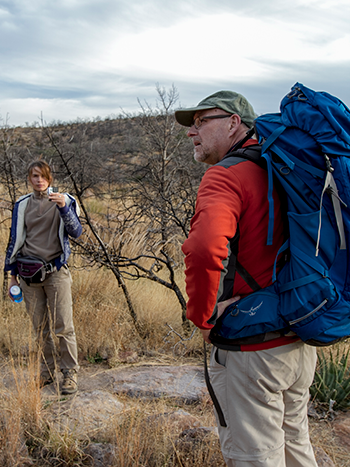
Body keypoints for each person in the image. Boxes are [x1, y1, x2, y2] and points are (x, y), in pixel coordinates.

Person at [175, 91, 318, 467]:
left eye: (202, 121)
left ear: (234, 123)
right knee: (295, 447)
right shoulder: (286, 169)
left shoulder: (224, 177)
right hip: (301, 336)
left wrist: (203, 318)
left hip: (254, 350)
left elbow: (205, 250)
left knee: (256, 458)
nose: (193, 132)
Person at [4, 160, 82, 395]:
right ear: (29, 178)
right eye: (34, 176)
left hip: (55, 272)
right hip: (28, 273)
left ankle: (70, 374)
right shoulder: (22, 204)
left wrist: (63, 208)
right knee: (40, 329)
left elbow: (76, 232)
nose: (38, 180)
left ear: (50, 178)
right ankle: (46, 372)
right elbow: (14, 240)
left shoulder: (65, 200)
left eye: (43, 176)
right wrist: (11, 276)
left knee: (63, 327)